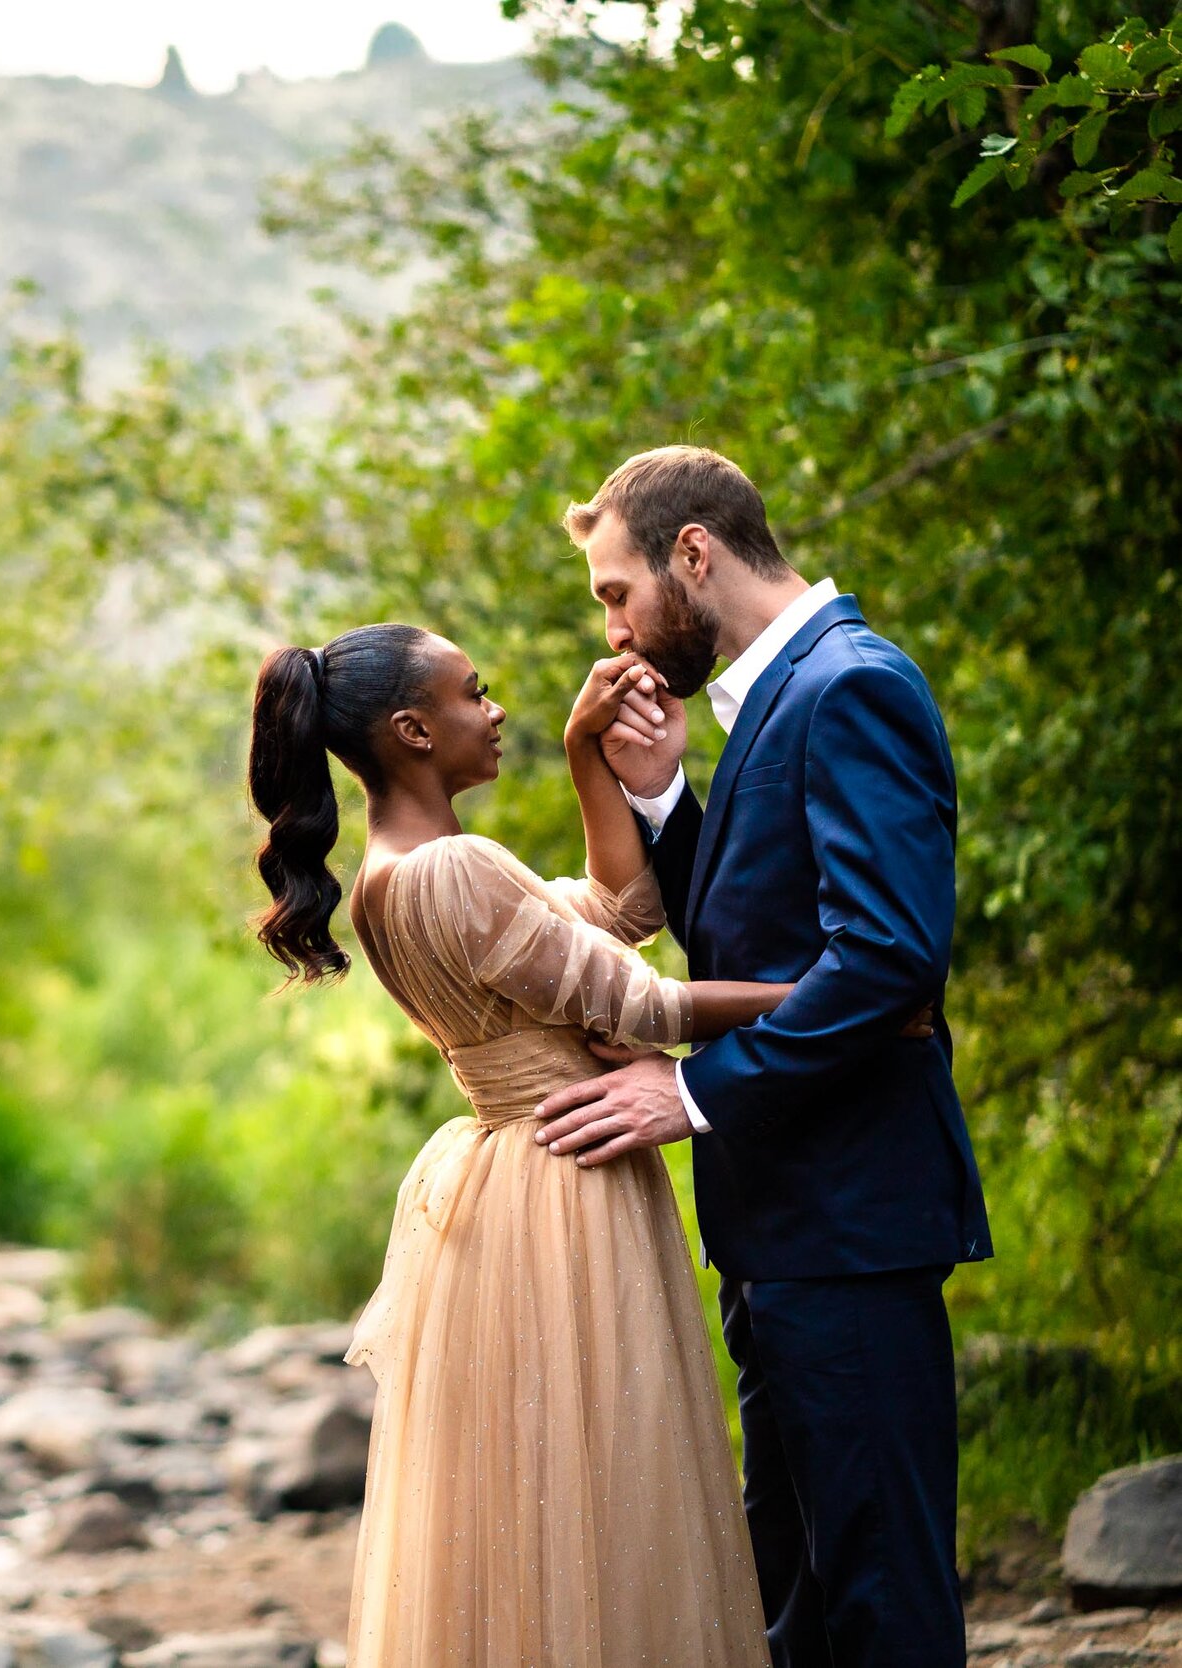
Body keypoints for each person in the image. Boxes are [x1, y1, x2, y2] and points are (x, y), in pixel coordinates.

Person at [247, 622, 787, 1667]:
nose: (495, 711)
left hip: (514, 1180)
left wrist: (592, 760)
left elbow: (616, 914)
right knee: (606, 1479)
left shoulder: (391, 879)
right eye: (473, 692)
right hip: (564, 1183)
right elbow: (648, 1001)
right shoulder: (452, 868)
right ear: (411, 730)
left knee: (542, 1492)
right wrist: (847, 997)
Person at [533, 446, 992, 1668]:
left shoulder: (850, 687)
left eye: (615, 593)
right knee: (796, 1596)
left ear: (695, 554)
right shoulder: (778, 697)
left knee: (879, 1599)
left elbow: (887, 956)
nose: (618, 633)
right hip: (785, 1224)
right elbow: (763, 934)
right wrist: (667, 802)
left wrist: (690, 1091)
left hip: (850, 1222)